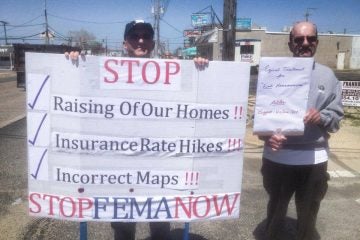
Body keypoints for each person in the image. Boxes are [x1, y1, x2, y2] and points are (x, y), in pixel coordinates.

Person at [66, 19, 208, 240]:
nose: (141, 40)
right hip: (120, 168)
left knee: (161, 227)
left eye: (146, 36)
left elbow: (194, 99)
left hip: (159, 167)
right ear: (125, 43)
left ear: (152, 42)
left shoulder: (171, 73)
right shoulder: (105, 73)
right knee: (123, 229)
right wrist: (72, 65)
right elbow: (82, 96)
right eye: (135, 36)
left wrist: (199, 67)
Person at [259, 21, 344, 240]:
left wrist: (322, 117)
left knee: (307, 219)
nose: (305, 43)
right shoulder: (273, 72)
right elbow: (258, 117)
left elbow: (336, 120)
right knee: (275, 217)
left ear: (316, 42)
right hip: (277, 159)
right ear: (290, 43)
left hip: (313, 161)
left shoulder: (328, 76)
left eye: (310, 39)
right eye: (299, 39)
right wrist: (268, 135)